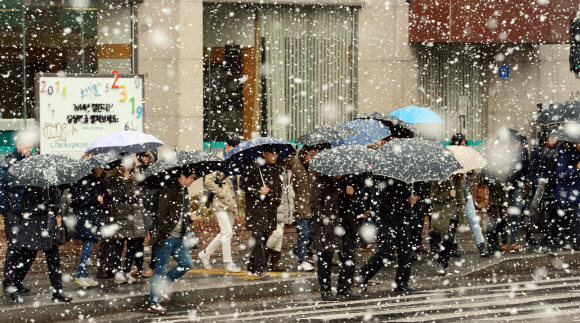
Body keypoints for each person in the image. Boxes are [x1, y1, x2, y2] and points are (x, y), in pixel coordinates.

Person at [5, 184, 73, 303]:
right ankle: (14, 287)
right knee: (26, 260)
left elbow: (59, 205)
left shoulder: (53, 188)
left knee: (54, 261)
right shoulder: (29, 188)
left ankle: (58, 292)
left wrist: (52, 207)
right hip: (33, 228)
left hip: (49, 228)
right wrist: (44, 208)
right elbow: (26, 208)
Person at [148, 169, 196, 313]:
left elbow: (180, 212)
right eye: (191, 178)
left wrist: (189, 217)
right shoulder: (168, 189)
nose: (193, 180)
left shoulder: (184, 190)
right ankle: (153, 301)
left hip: (180, 237)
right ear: (182, 177)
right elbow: (161, 214)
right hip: (167, 236)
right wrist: (166, 233)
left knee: (187, 264)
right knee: (160, 269)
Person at [359, 175, 418, 293]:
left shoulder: (405, 179)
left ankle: (401, 283)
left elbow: (403, 200)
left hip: (402, 220)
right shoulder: (385, 179)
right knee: (386, 253)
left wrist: (410, 200)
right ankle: (364, 273)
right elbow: (383, 203)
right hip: (387, 222)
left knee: (405, 253)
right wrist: (405, 200)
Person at [311, 174, 360, 301]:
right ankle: (325, 290)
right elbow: (314, 204)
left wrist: (351, 194)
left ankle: (344, 288)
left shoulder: (346, 181)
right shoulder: (321, 181)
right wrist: (326, 220)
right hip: (326, 227)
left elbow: (349, 204)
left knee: (349, 258)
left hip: (345, 225)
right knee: (325, 260)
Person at [199, 133, 242, 273]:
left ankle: (205, 254)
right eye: (232, 147)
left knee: (225, 232)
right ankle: (228, 263)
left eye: (237, 147)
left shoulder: (236, 159)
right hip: (220, 202)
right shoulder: (217, 159)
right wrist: (222, 193)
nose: (235, 150)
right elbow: (208, 181)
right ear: (226, 145)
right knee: (227, 232)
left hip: (231, 201)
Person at [240, 144, 282, 278]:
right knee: (258, 236)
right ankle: (262, 267)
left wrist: (277, 199)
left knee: (263, 237)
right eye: (272, 154)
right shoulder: (253, 165)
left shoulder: (276, 167)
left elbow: (278, 186)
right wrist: (257, 190)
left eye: (276, 154)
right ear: (264, 154)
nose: (275, 157)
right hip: (256, 208)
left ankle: (252, 265)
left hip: (270, 208)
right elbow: (243, 184)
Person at [0, 131, 33, 294]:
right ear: (18, 145)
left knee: (26, 248)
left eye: (31, 147)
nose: (30, 150)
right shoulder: (7, 164)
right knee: (14, 247)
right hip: (14, 213)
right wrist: (6, 210)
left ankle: (17, 280)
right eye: (27, 147)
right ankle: (9, 282)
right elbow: (1, 189)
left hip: (28, 213)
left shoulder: (31, 163)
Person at [103, 159, 146, 284]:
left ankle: (127, 271)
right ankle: (117, 271)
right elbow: (118, 196)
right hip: (120, 216)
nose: (128, 166)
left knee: (132, 246)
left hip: (135, 217)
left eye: (131, 164)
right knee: (118, 245)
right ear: (120, 165)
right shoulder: (113, 179)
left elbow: (139, 198)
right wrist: (125, 183)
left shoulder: (136, 179)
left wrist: (140, 209)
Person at [449, 133, 489, 257]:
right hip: (454, 193)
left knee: (472, 219)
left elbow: (470, 173)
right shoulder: (449, 154)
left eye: (465, 144)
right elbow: (449, 176)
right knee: (453, 221)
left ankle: (482, 246)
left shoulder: (467, 154)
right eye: (462, 144)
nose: (464, 146)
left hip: (465, 192)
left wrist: (468, 163)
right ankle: (453, 246)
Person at [291, 144, 328, 271]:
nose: (313, 157)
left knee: (312, 234)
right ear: (304, 153)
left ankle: (297, 251)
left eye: (315, 154)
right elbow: (293, 187)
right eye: (311, 154)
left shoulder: (316, 168)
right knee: (303, 234)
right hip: (300, 205)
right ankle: (303, 260)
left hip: (313, 205)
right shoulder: (296, 166)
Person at [72, 156, 105, 288]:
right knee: (88, 248)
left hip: (93, 218)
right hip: (84, 218)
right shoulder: (82, 180)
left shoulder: (97, 180)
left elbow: (100, 199)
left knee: (89, 249)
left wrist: (101, 205)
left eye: (102, 166)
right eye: (99, 166)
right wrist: (95, 199)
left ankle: (84, 275)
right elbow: (76, 199)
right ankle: (80, 276)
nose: (101, 169)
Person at [527, 134, 559, 250]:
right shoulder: (537, 150)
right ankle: (529, 234)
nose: (553, 141)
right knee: (534, 210)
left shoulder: (557, 150)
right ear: (545, 139)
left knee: (552, 210)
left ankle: (551, 235)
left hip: (552, 184)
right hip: (540, 183)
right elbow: (533, 168)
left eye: (555, 138)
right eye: (551, 138)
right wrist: (533, 184)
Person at [431, 174, 465, 275]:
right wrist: (448, 194)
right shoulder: (438, 179)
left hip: (455, 214)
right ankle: (440, 262)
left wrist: (463, 204)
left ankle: (444, 267)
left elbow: (460, 194)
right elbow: (433, 198)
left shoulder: (458, 179)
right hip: (445, 214)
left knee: (450, 241)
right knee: (449, 238)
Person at [266, 156, 295, 272]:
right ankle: (261, 257)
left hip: (286, 204)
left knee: (280, 234)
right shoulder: (274, 168)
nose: (286, 157)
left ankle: (275, 262)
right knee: (277, 233)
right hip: (277, 204)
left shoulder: (288, 169)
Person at [132, 151, 158, 278]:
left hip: (153, 209)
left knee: (154, 240)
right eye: (142, 156)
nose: (145, 158)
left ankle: (153, 266)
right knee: (138, 239)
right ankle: (138, 266)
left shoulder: (157, 171)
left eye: (147, 156)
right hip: (141, 209)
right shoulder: (139, 170)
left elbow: (157, 189)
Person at [554, 141, 580, 250]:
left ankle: (547, 240)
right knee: (576, 218)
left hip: (576, 194)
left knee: (561, 220)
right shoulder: (566, 153)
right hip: (566, 194)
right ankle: (576, 243)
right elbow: (560, 174)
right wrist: (577, 168)